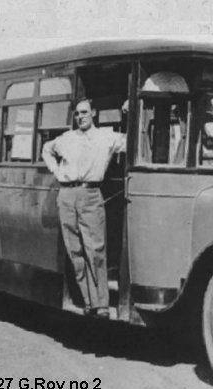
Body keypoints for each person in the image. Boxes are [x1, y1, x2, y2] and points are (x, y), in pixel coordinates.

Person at [41, 98, 126, 318]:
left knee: (95, 250)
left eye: (84, 112)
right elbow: (46, 149)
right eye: (77, 114)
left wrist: (128, 113)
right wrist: (57, 172)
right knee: (75, 251)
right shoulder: (67, 139)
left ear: (94, 113)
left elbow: (133, 140)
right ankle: (89, 301)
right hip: (67, 194)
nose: (80, 117)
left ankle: (102, 305)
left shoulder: (107, 136)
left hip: (91, 194)